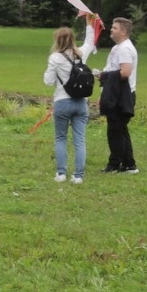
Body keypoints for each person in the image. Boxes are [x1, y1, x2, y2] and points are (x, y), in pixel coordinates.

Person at [42, 15, 98, 183]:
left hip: (62, 101)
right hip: (81, 103)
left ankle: (61, 174)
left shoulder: (55, 58)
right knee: (79, 140)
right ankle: (78, 175)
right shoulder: (80, 54)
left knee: (61, 138)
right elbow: (90, 42)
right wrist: (89, 24)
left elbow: (48, 81)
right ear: (73, 39)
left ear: (57, 40)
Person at [97, 17, 139, 174]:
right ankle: (129, 164)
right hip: (114, 92)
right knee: (120, 129)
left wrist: (105, 76)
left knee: (115, 130)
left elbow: (125, 72)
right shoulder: (117, 48)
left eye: (114, 28)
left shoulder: (124, 49)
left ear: (123, 31)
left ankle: (115, 163)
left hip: (121, 95)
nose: (111, 30)